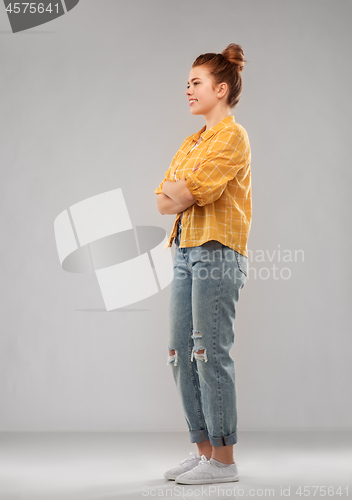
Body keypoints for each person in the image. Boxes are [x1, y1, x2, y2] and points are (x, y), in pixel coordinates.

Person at [154, 43, 252, 485]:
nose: (188, 90)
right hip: (183, 250)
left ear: (221, 87)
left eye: (196, 83)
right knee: (180, 353)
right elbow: (162, 200)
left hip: (216, 250)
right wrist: (178, 190)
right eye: (188, 83)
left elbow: (193, 192)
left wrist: (180, 190)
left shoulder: (233, 135)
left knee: (209, 352)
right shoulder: (190, 142)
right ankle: (205, 452)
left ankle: (225, 462)